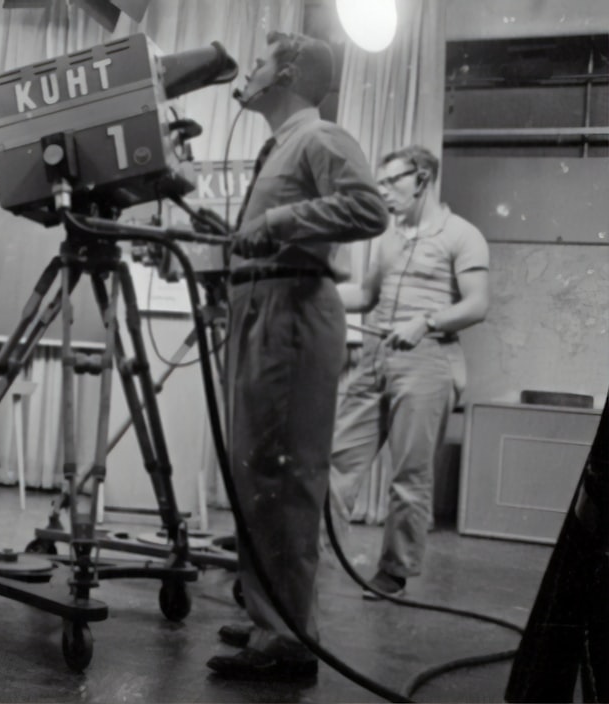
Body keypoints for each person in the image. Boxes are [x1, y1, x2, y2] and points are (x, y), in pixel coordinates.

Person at [208, 31, 389, 682]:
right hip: (265, 305)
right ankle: (272, 614)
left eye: (260, 61)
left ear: (286, 73)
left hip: (291, 309)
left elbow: (369, 209)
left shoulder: (319, 137)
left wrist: (278, 225)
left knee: (282, 478)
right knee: (256, 474)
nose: (249, 71)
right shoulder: (281, 146)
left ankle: (286, 637)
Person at [329, 145, 489, 599]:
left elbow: (477, 304)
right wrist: (313, 289)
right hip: (375, 357)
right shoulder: (389, 237)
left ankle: (394, 572)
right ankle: (311, 557)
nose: (382, 192)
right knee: (336, 461)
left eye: (391, 182)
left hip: (428, 361)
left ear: (422, 179)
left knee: (409, 475)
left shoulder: (462, 235)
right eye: (378, 184)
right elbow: (366, 296)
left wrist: (427, 321)